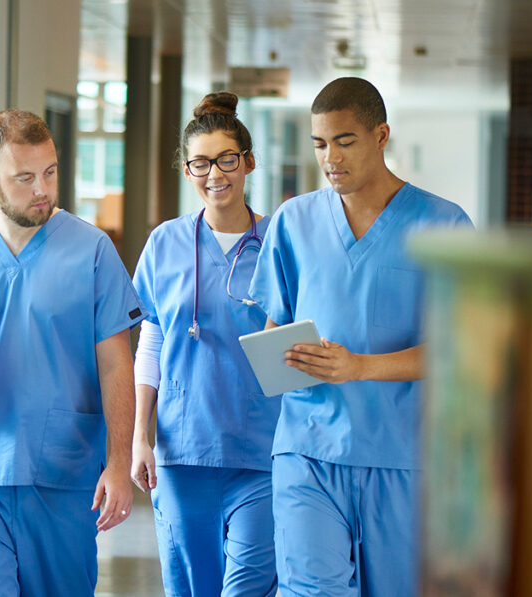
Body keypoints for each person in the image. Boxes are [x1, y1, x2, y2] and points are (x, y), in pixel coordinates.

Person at [248, 77, 473, 596]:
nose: (331, 158)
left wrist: (361, 367)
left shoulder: (443, 224)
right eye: (320, 144)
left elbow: (461, 350)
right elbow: (275, 324)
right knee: (311, 590)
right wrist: (277, 355)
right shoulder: (294, 221)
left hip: (401, 456)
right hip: (307, 449)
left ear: (380, 135)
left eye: (344, 141)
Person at [0, 108, 145, 597]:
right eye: (24, 177)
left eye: (50, 172)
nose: (42, 189)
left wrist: (118, 463)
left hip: (62, 470)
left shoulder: (93, 251)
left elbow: (116, 365)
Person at [130, 92, 279, 597]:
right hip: (183, 449)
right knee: (191, 587)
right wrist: (139, 436)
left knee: (247, 587)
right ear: (187, 169)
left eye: (227, 160)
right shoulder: (164, 243)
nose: (214, 174)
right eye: (200, 163)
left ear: (249, 162)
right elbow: (151, 339)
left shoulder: (279, 243)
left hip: (264, 449)